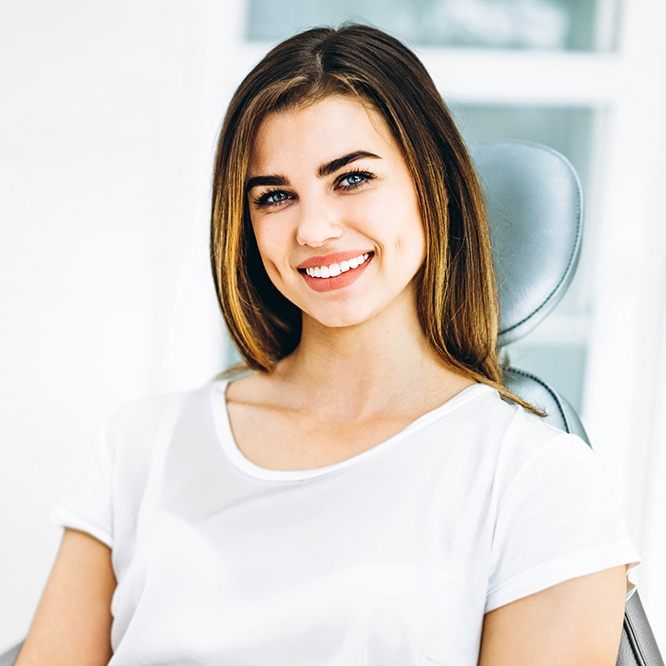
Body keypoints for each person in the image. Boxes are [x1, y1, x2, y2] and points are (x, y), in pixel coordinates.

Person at [18, 22, 641, 666]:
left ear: (433, 186)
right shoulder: (139, 447)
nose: (313, 229)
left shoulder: (537, 480)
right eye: (275, 196)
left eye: (351, 179)